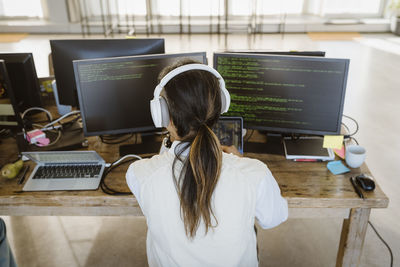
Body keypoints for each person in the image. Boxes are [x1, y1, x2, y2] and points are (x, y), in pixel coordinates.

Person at [126, 59, 288, 266]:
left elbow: (168, 167)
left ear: (161, 114)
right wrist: (241, 164)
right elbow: (274, 218)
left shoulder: (140, 174)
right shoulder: (254, 173)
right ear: (221, 106)